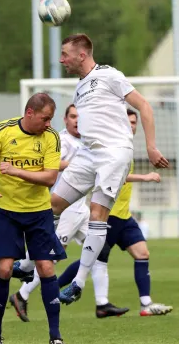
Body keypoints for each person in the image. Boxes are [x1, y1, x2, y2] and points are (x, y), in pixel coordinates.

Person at [51, 33, 169, 303]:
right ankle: (27, 264)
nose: (61, 59)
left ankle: (78, 282)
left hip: (114, 153)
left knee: (97, 212)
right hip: (88, 153)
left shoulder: (110, 75)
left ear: (82, 54)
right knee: (52, 206)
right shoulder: (79, 88)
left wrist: (151, 147)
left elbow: (144, 107)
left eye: (65, 54)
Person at [0, 104, 127, 321]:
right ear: (64, 119)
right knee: (49, 257)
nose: (76, 121)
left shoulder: (88, 142)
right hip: (64, 207)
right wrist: (79, 164)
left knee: (102, 248)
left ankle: (102, 302)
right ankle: (22, 292)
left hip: (81, 206)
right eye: (72, 117)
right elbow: (49, 168)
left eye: (79, 117)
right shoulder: (59, 140)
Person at [0, 93, 67, 344]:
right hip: (7, 211)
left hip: (39, 212)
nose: (49, 123)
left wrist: (16, 171)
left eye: (50, 118)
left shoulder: (51, 137)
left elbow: (50, 178)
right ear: (29, 113)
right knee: (4, 269)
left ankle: (56, 337)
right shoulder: (3, 130)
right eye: (45, 118)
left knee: (46, 267)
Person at [59, 109, 174, 316]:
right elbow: (114, 176)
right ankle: (54, 289)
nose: (132, 126)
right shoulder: (110, 147)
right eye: (128, 121)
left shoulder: (126, 148)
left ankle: (145, 303)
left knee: (142, 253)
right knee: (93, 259)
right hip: (107, 214)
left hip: (124, 216)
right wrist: (145, 177)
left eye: (134, 122)